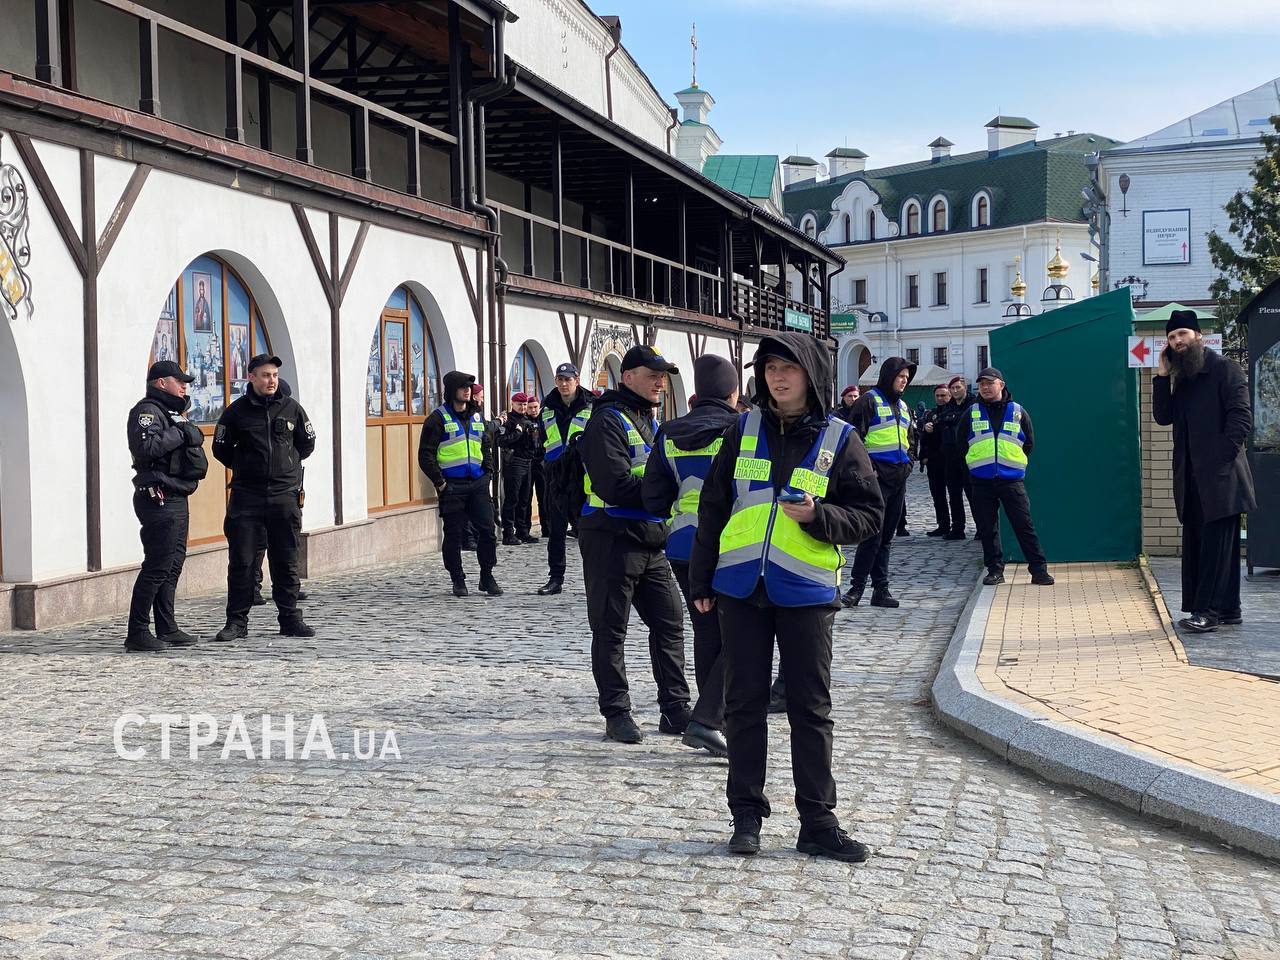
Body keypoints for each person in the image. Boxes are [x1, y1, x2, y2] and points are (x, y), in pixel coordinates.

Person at [688, 331, 883, 861]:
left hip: (806, 592)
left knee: (810, 710)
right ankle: (746, 816)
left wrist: (820, 517)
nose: (777, 376)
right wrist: (701, 579)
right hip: (740, 589)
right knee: (743, 706)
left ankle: (817, 823)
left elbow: (870, 515)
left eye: (788, 367)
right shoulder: (741, 429)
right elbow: (714, 506)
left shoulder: (840, 439)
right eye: (770, 367)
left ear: (811, 374)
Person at [579, 345, 691, 744]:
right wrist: (666, 493)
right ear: (628, 378)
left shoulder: (650, 420)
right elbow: (615, 485)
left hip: (650, 538)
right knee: (611, 630)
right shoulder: (607, 421)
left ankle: (675, 709)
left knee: (669, 621)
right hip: (611, 537)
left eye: (663, 376)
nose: (660, 382)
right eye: (652, 375)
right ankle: (617, 713)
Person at [641, 355, 740, 759]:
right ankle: (710, 718)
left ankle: (714, 718)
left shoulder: (668, 432)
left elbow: (652, 497)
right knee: (743, 633)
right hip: (730, 545)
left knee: (706, 630)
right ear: (732, 392)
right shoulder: (740, 429)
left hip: (682, 545)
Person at [1154, 311, 1255, 632]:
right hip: (1192, 478)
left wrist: (1218, 463)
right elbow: (1163, 417)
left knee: (1214, 547)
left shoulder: (1225, 368)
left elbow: (1241, 420)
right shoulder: (1184, 377)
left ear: (1198, 335)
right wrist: (1161, 376)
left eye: (1182, 333)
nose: (1177, 341)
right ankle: (1229, 609)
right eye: (1171, 337)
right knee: (1208, 545)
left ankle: (1206, 612)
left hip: (1222, 477)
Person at [211, 354, 316, 642]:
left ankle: (290, 618)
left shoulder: (292, 408)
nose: (271, 380)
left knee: (286, 560)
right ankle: (236, 622)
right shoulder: (236, 412)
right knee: (242, 562)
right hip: (248, 496)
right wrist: (247, 466)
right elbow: (221, 449)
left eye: (274, 375)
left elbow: (306, 444)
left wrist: (285, 467)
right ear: (252, 378)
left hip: (284, 496)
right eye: (266, 375)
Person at [125, 360, 210, 651]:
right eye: (179, 381)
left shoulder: (172, 412)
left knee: (172, 565)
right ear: (161, 383)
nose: (184, 386)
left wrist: (184, 430)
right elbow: (145, 448)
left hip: (176, 494)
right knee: (157, 565)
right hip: (157, 496)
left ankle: (167, 627)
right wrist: (181, 433)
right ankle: (137, 631)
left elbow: (189, 440)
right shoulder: (147, 412)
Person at [960, 367, 1054, 587]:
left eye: (989, 383)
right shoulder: (971, 412)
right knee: (987, 529)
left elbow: (1028, 443)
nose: (985, 388)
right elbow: (961, 443)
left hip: (1011, 481)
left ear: (1001, 385)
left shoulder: (1017, 412)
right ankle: (994, 570)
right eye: (982, 384)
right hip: (981, 481)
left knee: (1024, 525)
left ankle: (1039, 570)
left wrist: (1011, 464)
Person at [419, 371, 502, 597]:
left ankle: (487, 576)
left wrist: (487, 473)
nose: (467, 391)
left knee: (487, 531)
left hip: (478, 484)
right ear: (451, 390)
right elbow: (425, 455)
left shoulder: (477, 417)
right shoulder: (437, 419)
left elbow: (486, 445)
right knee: (454, 535)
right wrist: (440, 483)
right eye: (463, 387)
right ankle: (458, 579)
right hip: (452, 486)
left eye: (469, 388)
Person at [843, 357, 916, 608]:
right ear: (889, 376)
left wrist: (909, 464)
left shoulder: (904, 406)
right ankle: (856, 588)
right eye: (900, 377)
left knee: (886, 537)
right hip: (876, 480)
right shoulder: (868, 401)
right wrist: (868, 471)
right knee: (871, 535)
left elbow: (911, 439)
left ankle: (880, 590)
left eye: (906, 378)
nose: (904, 382)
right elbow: (853, 440)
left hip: (898, 479)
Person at [537, 363, 593, 595]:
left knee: (587, 532)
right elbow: (542, 439)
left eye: (568, 379)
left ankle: (594, 578)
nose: (563, 383)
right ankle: (555, 578)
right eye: (560, 379)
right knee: (556, 532)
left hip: (582, 476)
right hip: (555, 477)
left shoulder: (591, 406)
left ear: (577, 380)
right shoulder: (547, 408)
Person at [499, 392, 540, 546]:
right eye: (519, 404)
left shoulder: (527, 420)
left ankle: (522, 531)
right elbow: (501, 441)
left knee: (524, 499)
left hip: (528, 462)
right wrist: (517, 432)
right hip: (514, 463)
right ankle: (508, 533)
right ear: (512, 404)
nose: (522, 407)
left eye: (524, 404)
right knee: (512, 499)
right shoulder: (508, 420)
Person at [938, 375, 974, 540]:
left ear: (964, 387)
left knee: (973, 494)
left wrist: (952, 419)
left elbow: (961, 420)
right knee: (954, 494)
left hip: (968, 456)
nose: (955, 391)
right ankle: (958, 528)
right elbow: (942, 419)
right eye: (952, 388)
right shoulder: (949, 406)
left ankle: (981, 528)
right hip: (950, 456)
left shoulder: (973, 404)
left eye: (958, 387)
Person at [920, 384, 953, 536]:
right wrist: (923, 457)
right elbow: (924, 439)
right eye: (938, 396)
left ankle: (959, 526)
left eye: (943, 395)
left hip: (951, 459)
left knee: (955, 495)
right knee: (938, 495)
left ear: (949, 396)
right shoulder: (930, 414)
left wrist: (937, 428)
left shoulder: (954, 412)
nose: (940, 398)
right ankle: (943, 524)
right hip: (934, 461)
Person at [525, 395, 548, 537]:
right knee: (526, 498)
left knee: (543, 497)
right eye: (530, 408)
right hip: (528, 462)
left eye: (535, 407)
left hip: (541, 462)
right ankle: (525, 529)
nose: (533, 410)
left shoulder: (544, 420)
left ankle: (546, 528)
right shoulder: (524, 421)